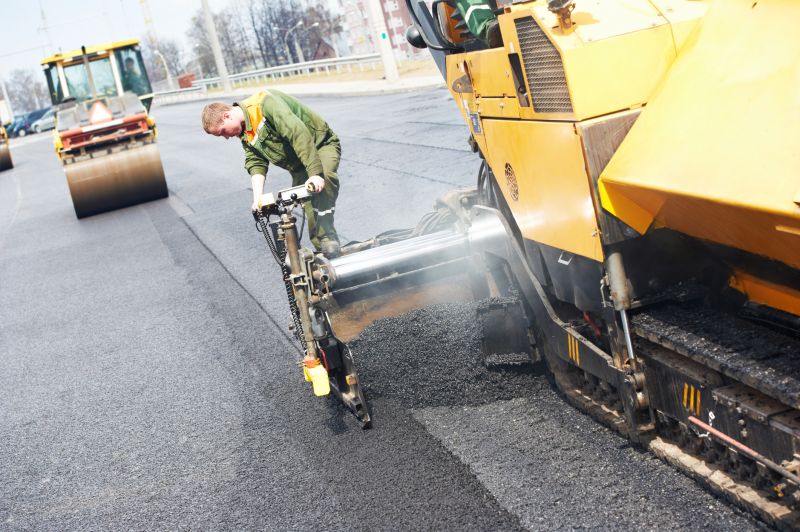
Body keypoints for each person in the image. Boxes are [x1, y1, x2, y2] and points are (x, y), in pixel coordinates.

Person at [202, 90, 341, 257]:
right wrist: (258, 199)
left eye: (223, 132)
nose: (226, 137)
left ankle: (328, 239)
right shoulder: (245, 129)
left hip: (320, 146)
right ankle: (326, 256)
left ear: (226, 116)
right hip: (298, 165)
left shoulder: (265, 104)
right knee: (309, 208)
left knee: (323, 180)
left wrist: (315, 173)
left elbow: (298, 133)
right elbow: (256, 161)